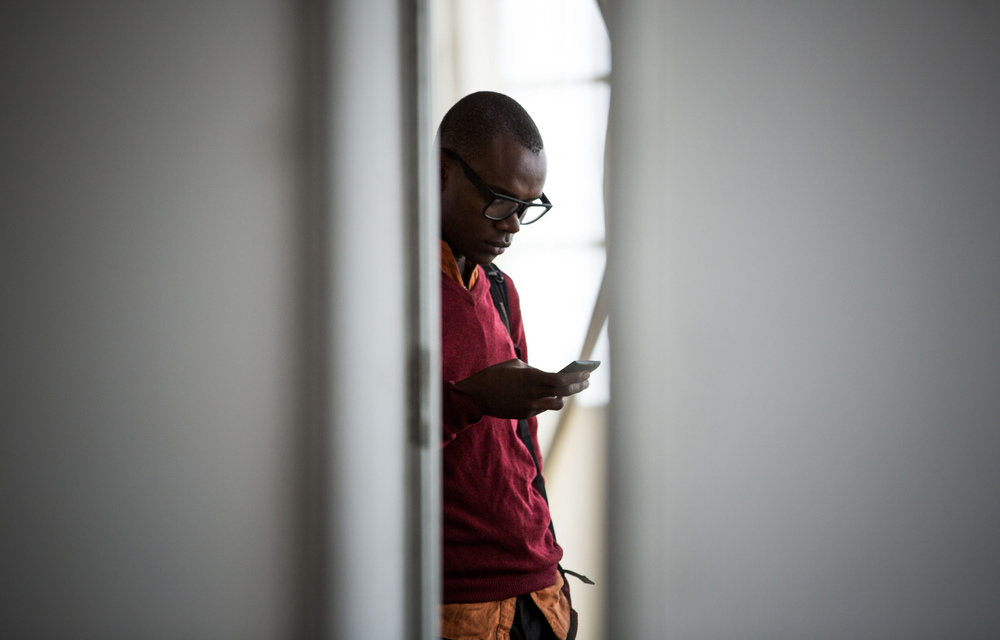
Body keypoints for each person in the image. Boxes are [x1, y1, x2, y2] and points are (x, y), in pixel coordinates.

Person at [438, 91, 592, 640]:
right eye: (501, 202)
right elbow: (373, 440)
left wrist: (551, 563)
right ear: (441, 172)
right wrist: (471, 399)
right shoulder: (393, 291)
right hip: (460, 605)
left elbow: (524, 452)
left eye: (528, 208)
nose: (514, 227)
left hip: (541, 591)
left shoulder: (501, 291)